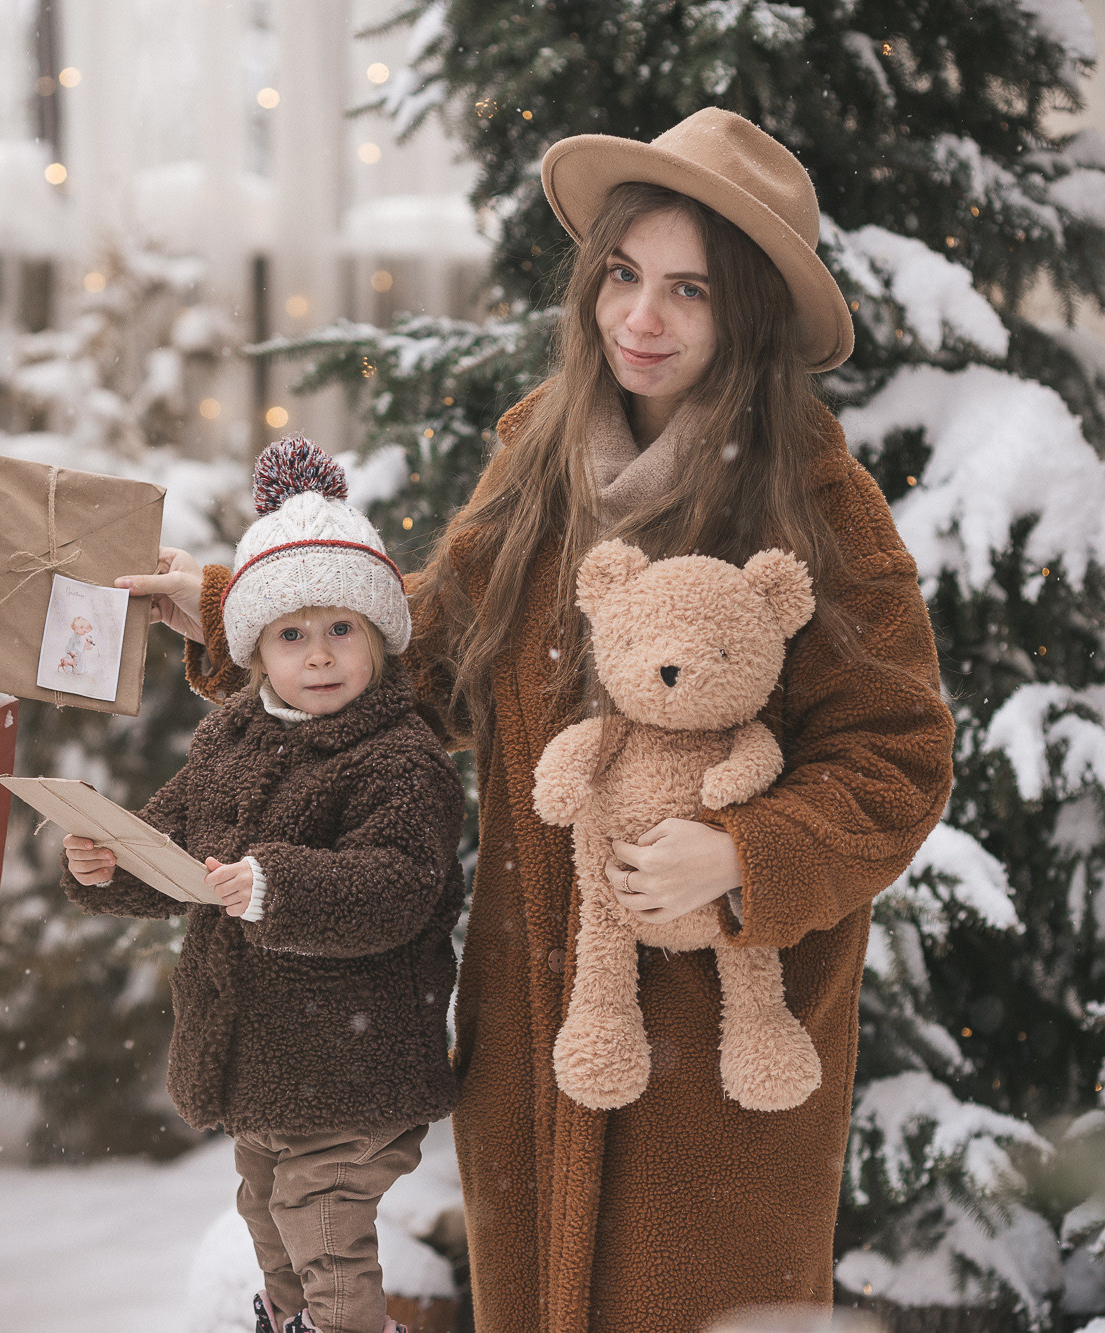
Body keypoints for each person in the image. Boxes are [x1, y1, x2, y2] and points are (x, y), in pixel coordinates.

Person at [121, 109, 954, 1333]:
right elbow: (430, 656)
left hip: (717, 1035)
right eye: (621, 274)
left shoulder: (817, 501)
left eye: (687, 291)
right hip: (536, 1008)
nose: (639, 319)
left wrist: (742, 855)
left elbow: (897, 753)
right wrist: (223, 605)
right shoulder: (539, 458)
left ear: (751, 318)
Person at [65, 439, 465, 1333]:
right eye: (292, 635)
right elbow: (178, 842)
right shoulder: (234, 740)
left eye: (340, 629)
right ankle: (290, 1324)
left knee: (323, 1226)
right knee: (268, 1218)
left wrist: (275, 887)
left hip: (356, 1064)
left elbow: (398, 884)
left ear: (378, 637)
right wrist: (114, 864)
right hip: (266, 1061)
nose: (318, 656)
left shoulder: (400, 757)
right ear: (254, 649)